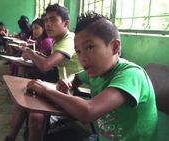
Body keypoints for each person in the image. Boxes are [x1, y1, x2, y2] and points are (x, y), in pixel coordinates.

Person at [26, 12, 158, 141]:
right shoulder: (98, 70)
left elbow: (88, 112)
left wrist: (45, 89)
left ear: (115, 47)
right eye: (78, 51)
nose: (82, 58)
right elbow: (76, 77)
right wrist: (69, 81)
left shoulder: (132, 74)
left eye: (89, 47)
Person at [4, 4, 82, 141]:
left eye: (53, 20)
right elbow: (54, 62)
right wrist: (37, 54)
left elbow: (46, 66)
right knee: (23, 99)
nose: (48, 24)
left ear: (66, 23)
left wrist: (29, 52)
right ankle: (10, 138)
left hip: (73, 91)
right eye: (46, 20)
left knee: (36, 115)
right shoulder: (58, 41)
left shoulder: (69, 40)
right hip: (61, 85)